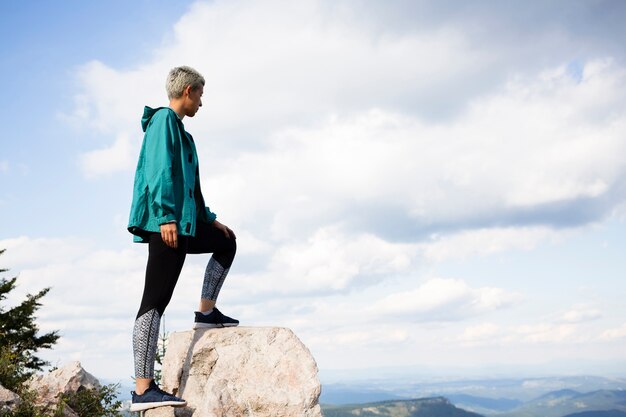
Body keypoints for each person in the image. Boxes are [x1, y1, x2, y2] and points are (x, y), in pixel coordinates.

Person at [127, 66, 238, 411]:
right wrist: (165, 217)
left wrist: (210, 220)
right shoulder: (163, 122)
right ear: (188, 91)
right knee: (154, 301)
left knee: (227, 241)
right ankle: (143, 389)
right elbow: (159, 170)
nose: (202, 103)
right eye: (201, 95)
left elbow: (192, 189)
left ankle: (205, 312)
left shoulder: (184, 134)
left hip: (184, 223)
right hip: (167, 223)